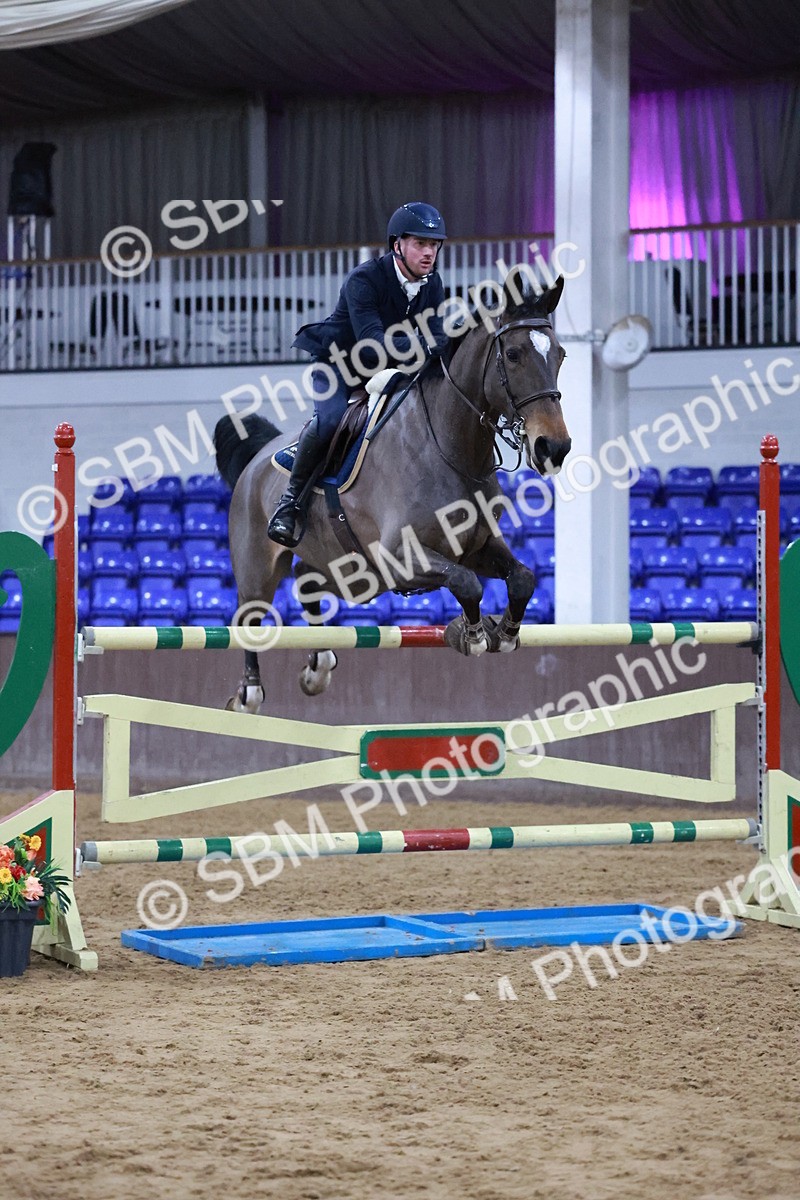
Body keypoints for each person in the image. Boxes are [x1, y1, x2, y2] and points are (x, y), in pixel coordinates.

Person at [267, 201, 449, 547]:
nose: (429, 253)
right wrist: (420, 344)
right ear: (397, 245)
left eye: (434, 245)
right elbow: (373, 342)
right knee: (331, 421)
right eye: (421, 244)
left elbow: (437, 339)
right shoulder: (364, 279)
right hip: (339, 365)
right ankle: (289, 505)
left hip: (388, 369)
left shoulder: (433, 284)